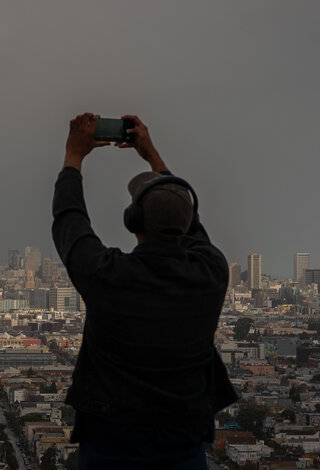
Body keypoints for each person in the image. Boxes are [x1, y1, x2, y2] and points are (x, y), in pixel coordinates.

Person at [52, 113, 237, 469]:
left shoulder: (110, 276)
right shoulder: (210, 273)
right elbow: (192, 225)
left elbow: (69, 220)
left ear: (133, 221)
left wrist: (73, 157)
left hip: (110, 447)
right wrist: (152, 155)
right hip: (183, 447)